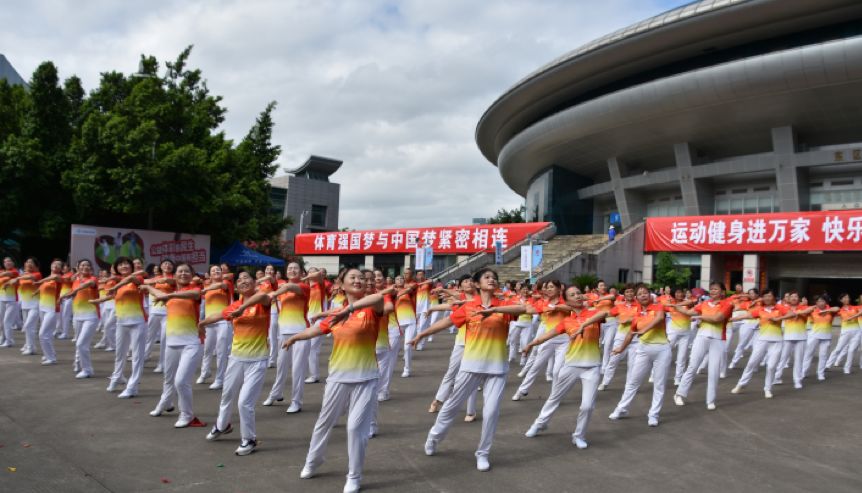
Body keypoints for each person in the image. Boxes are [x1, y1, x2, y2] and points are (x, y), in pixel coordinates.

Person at [415, 268, 529, 472]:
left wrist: (494, 311)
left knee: (491, 412)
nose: (492, 280)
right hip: (471, 366)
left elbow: (524, 309)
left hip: (497, 367)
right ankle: (434, 437)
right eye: (487, 277)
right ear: (477, 284)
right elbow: (447, 322)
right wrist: (422, 334)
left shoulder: (503, 306)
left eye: (494, 278)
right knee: (451, 407)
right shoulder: (469, 307)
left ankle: (483, 453)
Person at [285, 267, 385, 493]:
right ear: (341, 284)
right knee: (324, 422)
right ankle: (313, 461)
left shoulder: (370, 309)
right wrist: (295, 337)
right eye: (353, 277)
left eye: (361, 278)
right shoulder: (335, 315)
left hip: (366, 377)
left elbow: (379, 297)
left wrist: (347, 309)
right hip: (338, 377)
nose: (358, 280)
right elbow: (316, 330)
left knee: (354, 428)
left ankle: (354, 476)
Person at [522, 286, 601, 447]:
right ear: (567, 301)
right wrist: (531, 344)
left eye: (578, 293)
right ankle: (539, 423)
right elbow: (546, 335)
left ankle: (579, 435)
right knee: (554, 397)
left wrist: (584, 325)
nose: (577, 296)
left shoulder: (593, 313)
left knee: (587, 406)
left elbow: (604, 313)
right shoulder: (566, 321)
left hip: (592, 366)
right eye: (572, 295)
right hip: (571, 365)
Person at [203, 271, 272, 456]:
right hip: (236, 358)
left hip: (257, 360)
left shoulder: (262, 303)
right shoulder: (233, 306)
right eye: (239, 280)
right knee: (227, 395)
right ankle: (222, 425)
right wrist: (201, 324)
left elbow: (262, 296)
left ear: (255, 282)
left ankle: (249, 439)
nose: (243, 281)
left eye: (247, 279)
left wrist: (242, 308)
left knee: (244, 402)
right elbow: (217, 316)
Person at [141, 263, 206, 427]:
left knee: (181, 381)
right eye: (180, 271)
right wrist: (147, 287)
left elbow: (192, 294)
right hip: (172, 343)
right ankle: (165, 403)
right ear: (175, 275)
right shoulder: (168, 294)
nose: (183, 273)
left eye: (187, 271)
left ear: (192, 275)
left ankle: (188, 415)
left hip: (191, 343)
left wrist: (167, 296)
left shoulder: (195, 291)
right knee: (168, 379)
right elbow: (156, 291)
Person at [607, 284, 670, 426]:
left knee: (659, 384)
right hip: (643, 350)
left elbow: (660, 318)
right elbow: (630, 333)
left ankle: (653, 414)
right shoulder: (637, 315)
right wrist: (621, 348)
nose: (643, 295)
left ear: (650, 295)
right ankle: (621, 409)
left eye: (645, 293)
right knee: (633, 381)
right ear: (636, 297)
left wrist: (645, 330)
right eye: (640, 294)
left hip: (662, 350)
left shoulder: (658, 307)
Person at [263, 263, 322, 412]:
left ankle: (296, 401)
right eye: (289, 269)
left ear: (302, 273)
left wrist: (274, 293)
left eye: (296, 268)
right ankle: (276, 393)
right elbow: (272, 284)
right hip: (284, 332)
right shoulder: (281, 287)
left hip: (301, 333)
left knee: (298, 369)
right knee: (281, 367)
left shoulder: (304, 287)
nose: (292, 270)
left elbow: (289, 288)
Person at [421, 275, 479, 421]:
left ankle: (471, 411)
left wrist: (447, 292)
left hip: (478, 343)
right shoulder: (458, 300)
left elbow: (467, 301)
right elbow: (448, 306)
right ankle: (438, 400)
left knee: (472, 376)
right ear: (460, 286)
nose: (469, 283)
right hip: (461, 342)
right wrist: (433, 308)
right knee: (451, 373)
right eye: (465, 281)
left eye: (471, 281)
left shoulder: (481, 298)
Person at [673, 281, 733, 410]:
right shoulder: (704, 304)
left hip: (718, 339)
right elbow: (689, 313)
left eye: (716, 289)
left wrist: (700, 316)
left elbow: (718, 318)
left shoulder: (727, 305)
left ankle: (710, 400)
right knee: (692, 366)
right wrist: (676, 306)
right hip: (701, 337)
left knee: (714, 371)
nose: (713, 291)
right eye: (711, 289)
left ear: (722, 292)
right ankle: (679, 394)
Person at [93, 257, 147, 398]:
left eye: (126, 264)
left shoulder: (138, 279)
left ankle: (132, 386)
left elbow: (131, 280)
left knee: (136, 356)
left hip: (137, 321)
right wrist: (98, 300)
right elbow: (111, 295)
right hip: (121, 321)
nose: (124, 266)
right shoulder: (116, 282)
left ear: (131, 267)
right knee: (120, 354)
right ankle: (117, 377)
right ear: (116, 268)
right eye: (120, 264)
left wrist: (115, 286)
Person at [511, 280, 570, 401]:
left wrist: (556, 307)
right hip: (548, 338)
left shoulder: (565, 300)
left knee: (557, 371)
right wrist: (524, 304)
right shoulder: (543, 302)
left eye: (551, 287)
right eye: (547, 287)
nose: (548, 289)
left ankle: (554, 396)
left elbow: (570, 308)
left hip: (564, 340)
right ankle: (522, 390)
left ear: (559, 289)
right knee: (535, 366)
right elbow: (529, 310)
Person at [730, 290, 790, 398]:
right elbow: (746, 315)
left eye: (769, 296)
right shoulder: (760, 310)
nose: (767, 298)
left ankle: (768, 388)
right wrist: (731, 319)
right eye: (765, 296)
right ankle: (741, 384)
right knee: (751, 363)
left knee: (771, 366)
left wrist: (779, 318)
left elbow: (791, 314)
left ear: (773, 297)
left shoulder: (779, 308)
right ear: (762, 298)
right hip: (762, 340)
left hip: (777, 341)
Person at [197, 264, 234, 390]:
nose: (216, 272)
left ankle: (220, 379)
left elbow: (220, 285)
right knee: (207, 350)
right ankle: (205, 372)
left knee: (221, 351)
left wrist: (205, 289)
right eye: (213, 271)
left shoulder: (226, 284)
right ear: (209, 274)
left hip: (223, 321)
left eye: (218, 270)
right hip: (209, 322)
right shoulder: (205, 286)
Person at [60, 260, 99, 378]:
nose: (85, 267)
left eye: (87, 265)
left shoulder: (93, 279)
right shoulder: (75, 281)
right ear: (78, 267)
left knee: (82, 343)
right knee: (79, 342)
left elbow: (88, 285)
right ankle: (78, 363)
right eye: (82, 265)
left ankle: (87, 370)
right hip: (77, 316)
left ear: (91, 268)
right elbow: (74, 293)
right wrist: (66, 295)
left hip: (91, 316)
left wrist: (75, 290)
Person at [598, 285, 639, 390]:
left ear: (634, 293)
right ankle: (605, 382)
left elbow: (644, 317)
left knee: (632, 364)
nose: (629, 293)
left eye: (631, 291)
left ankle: (629, 386)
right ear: (624, 294)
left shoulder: (639, 306)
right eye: (627, 292)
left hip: (635, 339)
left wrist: (630, 319)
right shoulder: (620, 306)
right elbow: (608, 314)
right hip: (620, 338)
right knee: (613, 361)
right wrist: (593, 316)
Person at [773, 292, 814, 389]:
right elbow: (774, 307)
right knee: (783, 358)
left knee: (798, 360)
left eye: (796, 297)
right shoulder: (784, 308)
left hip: (801, 337)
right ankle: (776, 377)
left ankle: (797, 380)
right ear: (788, 299)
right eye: (792, 297)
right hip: (788, 337)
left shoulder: (803, 307)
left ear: (798, 299)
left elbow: (811, 309)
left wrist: (798, 312)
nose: (794, 298)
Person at [143, 260, 176, 374]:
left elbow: (173, 281)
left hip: (168, 312)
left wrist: (165, 279)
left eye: (169, 264)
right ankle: (145, 356)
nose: (167, 265)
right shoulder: (156, 278)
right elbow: (143, 281)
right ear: (160, 266)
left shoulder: (174, 278)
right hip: (154, 311)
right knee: (149, 336)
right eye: (165, 264)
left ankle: (162, 364)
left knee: (164, 340)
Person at [33, 259, 64, 365]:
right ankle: (50, 354)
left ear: (61, 269)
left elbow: (54, 277)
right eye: (54, 263)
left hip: (52, 309)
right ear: (50, 265)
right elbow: (42, 287)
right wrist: (35, 292)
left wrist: (39, 281)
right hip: (43, 308)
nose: (56, 265)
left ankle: (51, 358)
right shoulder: (47, 279)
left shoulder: (59, 278)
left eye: (59, 265)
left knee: (42, 334)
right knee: (48, 334)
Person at [802, 295, 837, 381]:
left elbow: (837, 309)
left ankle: (820, 373)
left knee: (823, 355)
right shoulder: (813, 310)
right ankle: (804, 372)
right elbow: (804, 311)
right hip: (814, 335)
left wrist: (826, 310)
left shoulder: (830, 310)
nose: (821, 303)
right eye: (818, 301)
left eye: (822, 301)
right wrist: (813, 306)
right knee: (808, 354)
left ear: (826, 302)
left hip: (826, 336)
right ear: (816, 302)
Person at [825, 294, 862, 373]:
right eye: (845, 297)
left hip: (856, 331)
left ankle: (847, 368)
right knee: (838, 349)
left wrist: (852, 317)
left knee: (851, 350)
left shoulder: (855, 307)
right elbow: (833, 309)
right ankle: (827, 365)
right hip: (845, 332)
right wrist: (829, 310)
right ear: (841, 300)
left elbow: (861, 312)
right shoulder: (840, 310)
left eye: (848, 297)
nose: (847, 298)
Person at [0, 257, 21, 347]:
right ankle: (3, 338)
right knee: (1, 321)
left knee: (7, 321)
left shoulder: (15, 272)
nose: (7, 263)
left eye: (9, 261)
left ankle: (9, 341)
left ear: (13, 263)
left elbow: (7, 273)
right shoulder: (2, 272)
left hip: (12, 300)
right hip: (1, 299)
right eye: (5, 262)